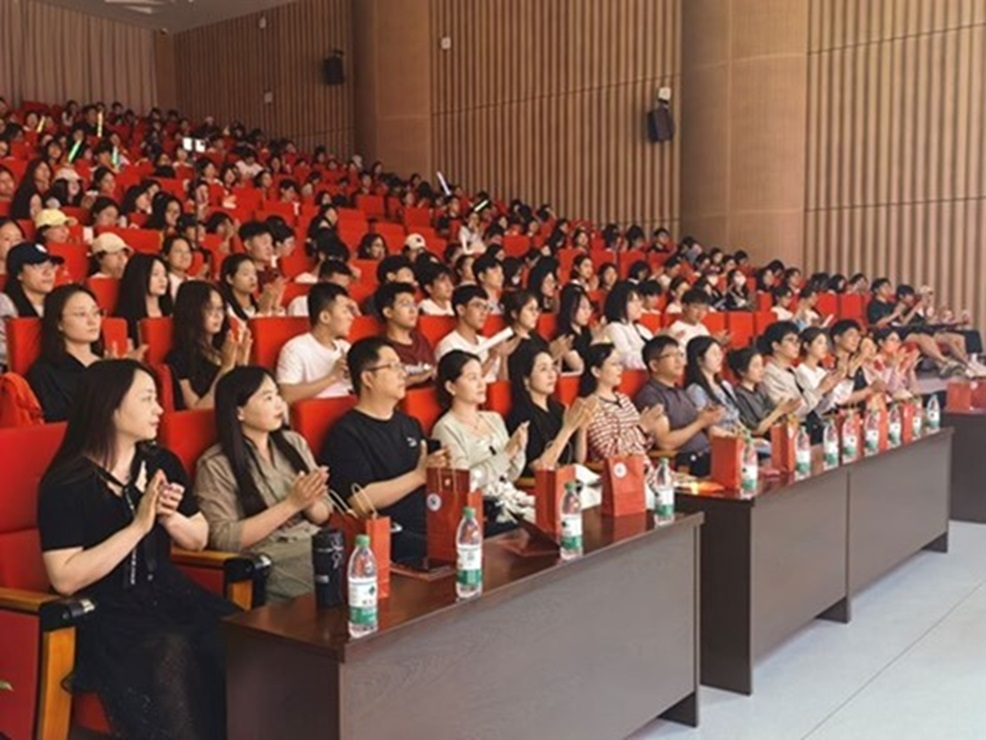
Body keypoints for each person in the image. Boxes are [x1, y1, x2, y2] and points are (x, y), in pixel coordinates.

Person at [37, 359, 235, 739]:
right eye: (147, 399)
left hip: (165, 593)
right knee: (170, 649)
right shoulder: (66, 483)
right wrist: (139, 526)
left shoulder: (161, 462)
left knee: (236, 635)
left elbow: (199, 537)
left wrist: (168, 517)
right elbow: (64, 577)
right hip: (103, 611)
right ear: (111, 407)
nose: (159, 409)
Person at [194, 367, 332, 602]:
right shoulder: (216, 464)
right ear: (239, 412)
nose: (279, 404)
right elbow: (223, 538)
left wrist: (309, 502)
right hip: (271, 556)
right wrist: (291, 505)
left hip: (314, 541)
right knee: (337, 583)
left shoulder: (294, 443)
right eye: (268, 398)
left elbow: (325, 512)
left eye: (278, 395)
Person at [319, 337, 449, 564]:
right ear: (368, 378)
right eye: (393, 366)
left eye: (401, 366)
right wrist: (418, 476)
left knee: (500, 531)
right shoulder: (346, 433)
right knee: (455, 549)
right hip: (390, 534)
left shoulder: (410, 424)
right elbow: (359, 500)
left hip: (432, 520)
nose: (402, 374)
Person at [431, 351, 532, 523]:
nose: (481, 384)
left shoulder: (494, 418)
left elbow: (511, 476)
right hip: (481, 512)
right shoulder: (445, 428)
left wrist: (519, 449)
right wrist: (506, 454)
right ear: (451, 387)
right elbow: (464, 483)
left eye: (481, 376)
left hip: (512, 498)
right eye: (472, 378)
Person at [578, 343, 667, 489]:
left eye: (620, 364)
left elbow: (642, 444)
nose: (620, 369)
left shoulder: (623, 399)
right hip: (621, 479)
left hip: (646, 473)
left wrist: (652, 429)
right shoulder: (591, 405)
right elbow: (608, 451)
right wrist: (640, 429)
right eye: (614, 364)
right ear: (596, 371)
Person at [634, 336, 724, 475]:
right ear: (654, 365)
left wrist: (705, 417)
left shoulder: (680, 391)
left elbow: (696, 423)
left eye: (680, 355)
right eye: (671, 356)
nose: (680, 361)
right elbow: (665, 442)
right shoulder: (650, 396)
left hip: (709, 453)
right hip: (689, 463)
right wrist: (701, 422)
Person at [506, 344, 596, 477]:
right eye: (543, 369)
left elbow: (578, 459)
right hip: (543, 485)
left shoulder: (559, 409)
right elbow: (540, 468)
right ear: (526, 380)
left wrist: (582, 427)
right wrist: (568, 429)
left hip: (569, 479)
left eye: (553, 367)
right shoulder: (521, 417)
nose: (552, 375)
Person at [166, 281, 251, 410]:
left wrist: (242, 364)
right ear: (191, 311)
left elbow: (243, 398)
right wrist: (226, 368)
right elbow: (197, 409)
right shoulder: (178, 358)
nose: (218, 315)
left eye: (220, 309)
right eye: (209, 309)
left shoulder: (222, 350)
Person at [27, 285, 106, 422]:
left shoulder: (108, 365)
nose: (93, 321)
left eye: (96, 312)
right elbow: (61, 425)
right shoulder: (44, 373)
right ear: (59, 323)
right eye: (81, 314)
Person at [760, 321, 842, 439]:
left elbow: (815, 408)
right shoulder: (769, 375)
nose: (796, 345)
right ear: (776, 346)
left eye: (797, 341)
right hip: (788, 434)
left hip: (808, 428)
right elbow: (791, 411)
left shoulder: (794, 371)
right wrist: (820, 389)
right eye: (790, 340)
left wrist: (828, 390)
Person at [276, 283, 354, 403]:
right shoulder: (296, 348)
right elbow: (286, 394)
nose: (351, 317)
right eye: (345, 311)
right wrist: (332, 377)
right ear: (325, 317)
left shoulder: (345, 347)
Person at [0, 242, 62, 368]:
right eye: (37, 266)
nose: (48, 272)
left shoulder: (61, 303)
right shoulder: (4, 304)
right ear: (19, 274)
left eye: (51, 266)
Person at [435, 284, 513, 382]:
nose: (483, 313)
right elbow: (461, 383)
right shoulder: (448, 345)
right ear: (461, 310)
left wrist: (503, 356)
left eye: (486, 308)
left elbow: (502, 382)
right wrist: (491, 359)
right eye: (477, 306)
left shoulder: (487, 342)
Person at [727, 346, 802, 436]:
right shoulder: (740, 395)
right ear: (742, 371)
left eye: (762, 365)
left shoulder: (761, 389)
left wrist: (785, 407)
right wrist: (780, 410)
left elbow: (773, 411)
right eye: (756, 366)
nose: (761, 370)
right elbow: (756, 430)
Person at [373, 281, 436, 387]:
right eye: (405, 304)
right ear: (388, 312)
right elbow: (384, 387)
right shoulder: (381, 347)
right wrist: (416, 379)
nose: (413, 310)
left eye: (414, 304)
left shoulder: (420, 339)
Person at [683, 335, 742, 429]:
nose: (719, 358)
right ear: (699, 360)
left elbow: (736, 420)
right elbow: (707, 427)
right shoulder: (696, 390)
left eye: (720, 353)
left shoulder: (725, 385)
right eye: (714, 354)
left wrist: (747, 435)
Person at [114, 253, 173, 344]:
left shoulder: (170, 313)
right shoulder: (126, 318)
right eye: (155, 274)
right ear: (140, 276)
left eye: (165, 275)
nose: (163, 280)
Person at [603, 281, 653, 370]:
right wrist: (655, 357)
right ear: (619, 303)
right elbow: (625, 359)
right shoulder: (614, 328)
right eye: (632, 301)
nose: (638, 305)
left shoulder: (641, 329)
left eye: (639, 300)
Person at [218, 254, 283, 320]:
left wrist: (275, 307)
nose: (252, 278)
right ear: (230, 279)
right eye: (245, 274)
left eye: (254, 273)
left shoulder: (258, 305)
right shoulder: (226, 310)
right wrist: (263, 312)